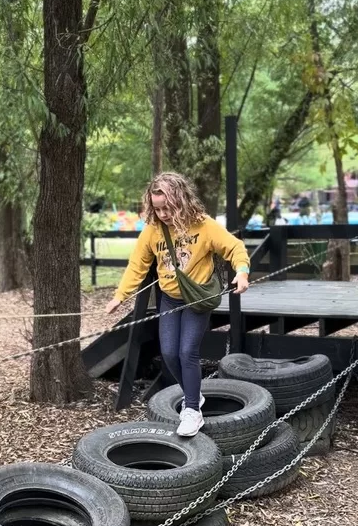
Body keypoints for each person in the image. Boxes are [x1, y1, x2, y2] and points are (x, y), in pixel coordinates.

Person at [106, 172, 250, 437]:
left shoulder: (203, 225)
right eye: (157, 208)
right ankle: (193, 393)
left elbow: (234, 247)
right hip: (170, 299)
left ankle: (192, 409)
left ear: (181, 200)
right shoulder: (152, 231)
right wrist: (120, 295)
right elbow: (137, 265)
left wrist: (241, 271)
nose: (162, 214)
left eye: (167, 208)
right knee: (170, 353)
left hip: (198, 298)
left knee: (187, 352)